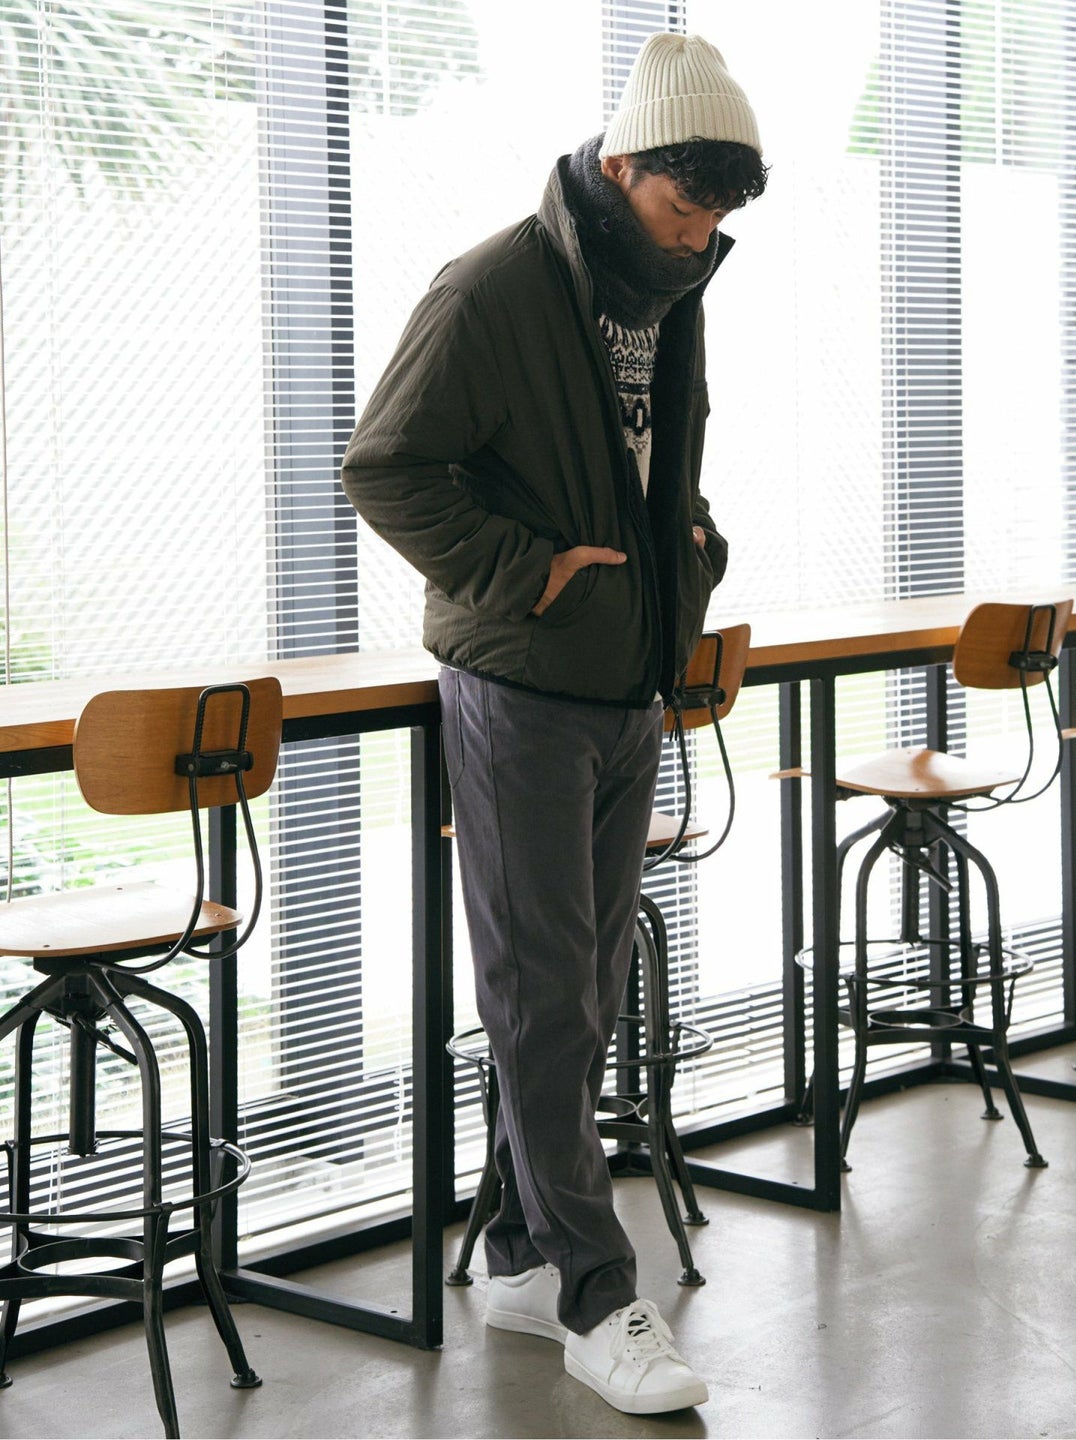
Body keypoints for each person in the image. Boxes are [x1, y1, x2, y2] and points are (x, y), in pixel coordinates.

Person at [341, 32, 766, 1415]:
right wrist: (529, 573)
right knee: (540, 996)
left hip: (627, 684)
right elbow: (385, 464)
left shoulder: (669, 288)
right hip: (521, 687)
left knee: (576, 996)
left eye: (716, 217)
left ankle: (519, 1252)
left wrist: (689, 549)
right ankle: (593, 1291)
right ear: (622, 166)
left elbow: (658, 461)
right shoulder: (494, 287)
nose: (698, 237)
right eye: (684, 207)